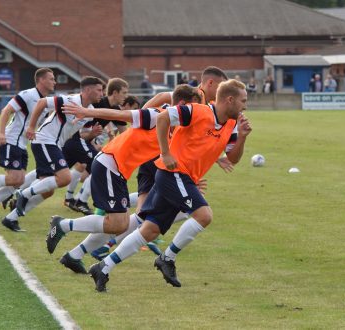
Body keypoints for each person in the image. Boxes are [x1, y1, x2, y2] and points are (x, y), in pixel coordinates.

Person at [87, 79, 252, 292]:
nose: (245, 106)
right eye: (243, 101)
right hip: (173, 174)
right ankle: (167, 258)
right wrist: (165, 153)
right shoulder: (197, 111)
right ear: (229, 99)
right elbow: (164, 117)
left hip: (183, 179)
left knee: (149, 230)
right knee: (204, 215)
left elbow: (233, 158)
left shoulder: (231, 123)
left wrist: (243, 138)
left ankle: (103, 267)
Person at [44, 84, 202, 275]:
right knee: (119, 223)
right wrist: (85, 111)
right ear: (183, 104)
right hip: (110, 163)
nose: (196, 113)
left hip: (118, 169)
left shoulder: (174, 128)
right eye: (194, 107)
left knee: (117, 223)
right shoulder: (156, 115)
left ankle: (74, 256)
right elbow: (120, 115)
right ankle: (62, 224)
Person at [10, 76, 104, 231]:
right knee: (65, 177)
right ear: (87, 90)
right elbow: (41, 102)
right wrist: (31, 127)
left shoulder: (90, 112)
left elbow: (80, 135)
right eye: (99, 90)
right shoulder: (69, 100)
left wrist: (92, 134)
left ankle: (11, 218)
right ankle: (23, 193)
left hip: (55, 145)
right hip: (44, 140)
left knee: (48, 191)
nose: (102, 94)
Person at [0, 68, 56, 221]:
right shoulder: (28, 95)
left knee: (18, 181)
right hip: (11, 140)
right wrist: (1, 133)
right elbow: (6, 111)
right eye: (51, 78)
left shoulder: (46, 103)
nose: (55, 82)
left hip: (22, 144)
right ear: (41, 80)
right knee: (15, 179)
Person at [63, 78, 129, 215]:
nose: (126, 96)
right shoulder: (98, 104)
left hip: (84, 141)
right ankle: (79, 201)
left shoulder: (115, 110)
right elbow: (81, 131)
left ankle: (71, 199)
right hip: (74, 140)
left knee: (57, 173)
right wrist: (94, 141)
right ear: (115, 92)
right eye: (124, 93)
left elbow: (125, 133)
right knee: (99, 168)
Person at [145, 66, 227, 107]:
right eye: (221, 87)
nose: (224, 92)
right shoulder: (191, 95)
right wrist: (140, 115)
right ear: (210, 83)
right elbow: (162, 96)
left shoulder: (210, 105)